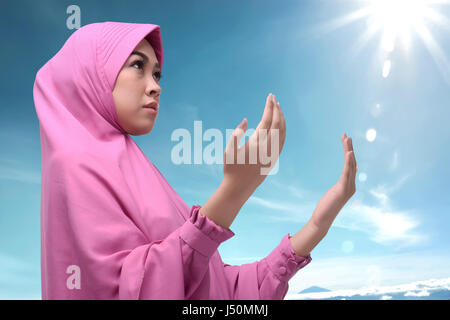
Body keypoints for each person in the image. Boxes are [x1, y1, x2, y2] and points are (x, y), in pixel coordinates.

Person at [33, 21, 357, 300]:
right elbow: (134, 291)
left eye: (158, 74)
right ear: (90, 72)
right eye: (137, 66)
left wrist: (316, 226)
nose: (155, 87)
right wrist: (233, 192)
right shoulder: (75, 164)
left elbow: (213, 289)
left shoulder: (135, 168)